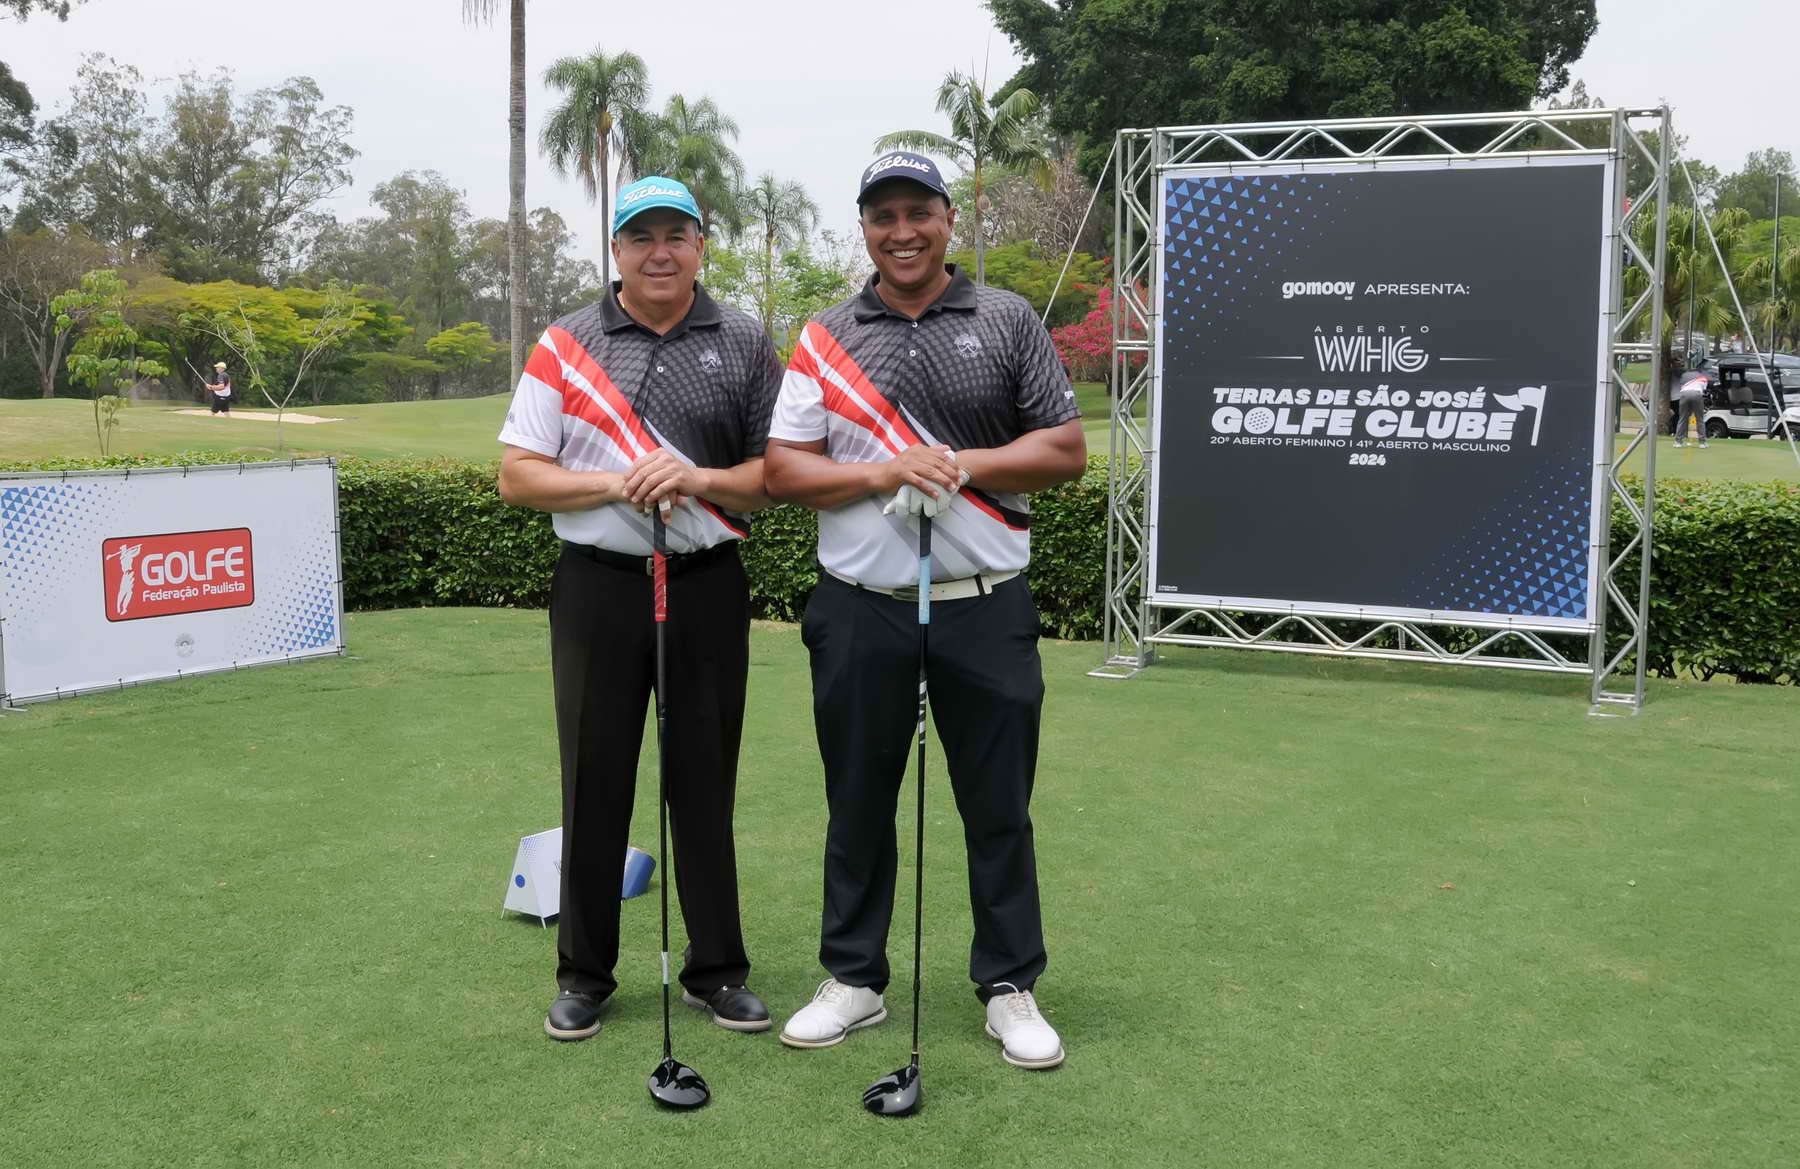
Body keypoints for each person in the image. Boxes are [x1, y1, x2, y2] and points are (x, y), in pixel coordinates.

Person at [763, 151, 1087, 1070]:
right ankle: (854, 978)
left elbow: (1065, 450)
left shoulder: (1007, 318)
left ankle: (1009, 984)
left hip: (983, 604)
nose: (902, 232)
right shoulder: (826, 334)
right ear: (864, 228)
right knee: (857, 800)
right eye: (883, 216)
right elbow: (783, 468)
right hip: (860, 606)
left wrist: (959, 463)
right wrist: (885, 470)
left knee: (997, 803)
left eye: (918, 212)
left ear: (949, 219)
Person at [497, 175, 782, 1042]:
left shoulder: (743, 339)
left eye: (676, 235)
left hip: (705, 583)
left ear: (701, 245)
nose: (660, 251)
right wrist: (617, 482)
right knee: (595, 778)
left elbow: (775, 476)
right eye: (641, 236)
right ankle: (584, 974)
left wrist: (698, 477)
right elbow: (518, 476)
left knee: (704, 779)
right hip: (598, 587)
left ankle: (717, 969)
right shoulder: (566, 341)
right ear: (616, 250)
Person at [1674, 363, 1708, 448]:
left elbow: (1682, 386)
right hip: (1697, 394)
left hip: (1684, 394)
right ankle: (1702, 443)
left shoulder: (1684, 375)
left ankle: (1678, 442)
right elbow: (1704, 390)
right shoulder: (1703, 377)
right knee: (1699, 419)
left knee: (1683, 418)